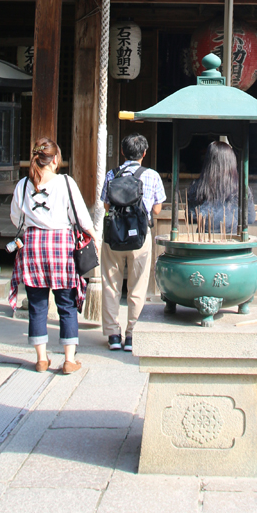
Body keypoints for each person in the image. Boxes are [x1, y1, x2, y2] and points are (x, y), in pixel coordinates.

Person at [9, 138, 94, 374]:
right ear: (55, 159)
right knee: (66, 304)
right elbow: (80, 217)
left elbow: (16, 218)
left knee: (37, 304)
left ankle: (41, 359)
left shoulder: (23, 185)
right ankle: (68, 360)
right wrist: (94, 236)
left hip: (32, 246)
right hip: (61, 246)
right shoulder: (65, 182)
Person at [101, 133, 166, 352]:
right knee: (137, 285)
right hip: (139, 236)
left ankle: (113, 334)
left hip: (114, 236)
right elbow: (157, 209)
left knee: (111, 284)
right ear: (144, 153)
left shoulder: (112, 174)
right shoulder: (152, 176)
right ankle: (132, 334)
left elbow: (106, 205)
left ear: (122, 152)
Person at [186, 139, 255, 235]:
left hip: (203, 240)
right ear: (232, 162)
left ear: (208, 162)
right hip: (233, 239)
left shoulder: (197, 186)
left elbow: (191, 216)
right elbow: (250, 218)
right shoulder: (240, 188)